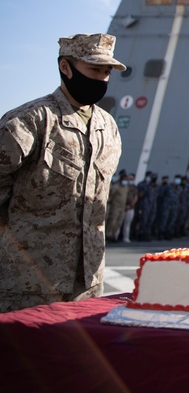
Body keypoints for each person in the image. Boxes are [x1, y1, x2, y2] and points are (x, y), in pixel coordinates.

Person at [0, 33, 126, 312]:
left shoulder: (108, 127)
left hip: (88, 283)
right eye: (94, 69)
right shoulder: (28, 120)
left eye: (106, 72)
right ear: (65, 68)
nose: (101, 79)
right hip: (28, 283)